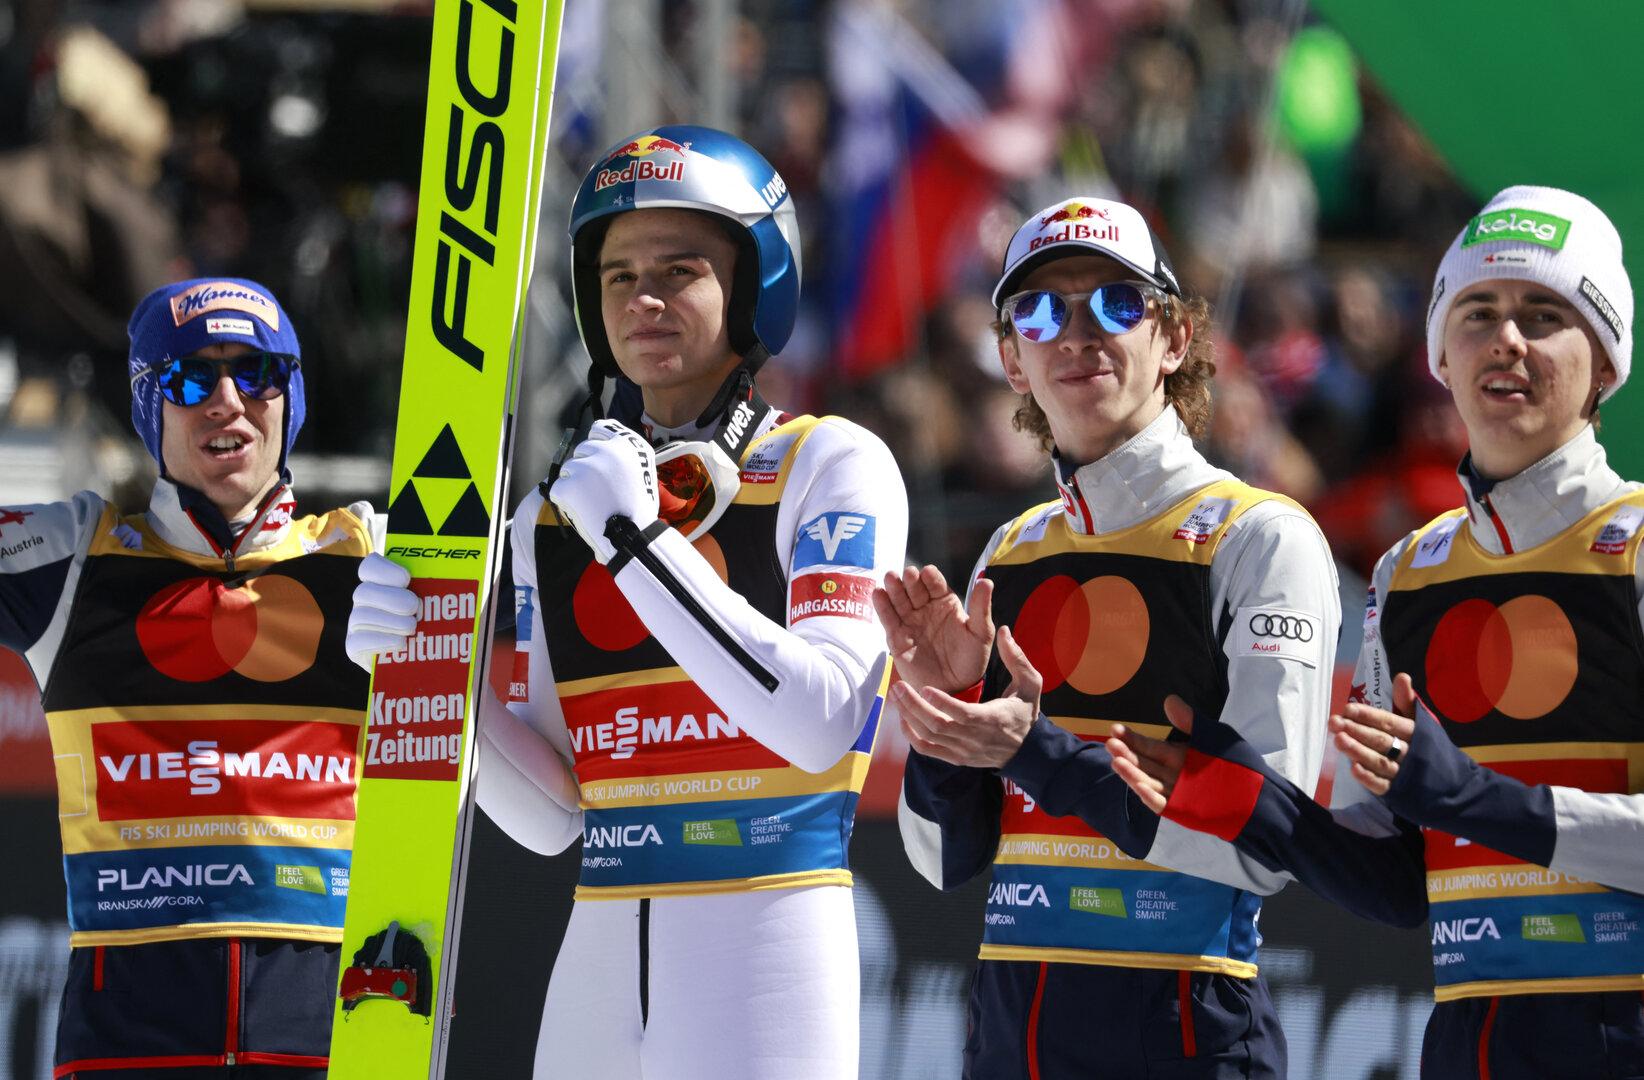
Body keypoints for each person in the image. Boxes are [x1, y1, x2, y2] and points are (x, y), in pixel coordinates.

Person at [348, 125, 907, 1079]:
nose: (643, 299)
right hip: (598, 952)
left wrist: (634, 540)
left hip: (770, 936)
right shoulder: (552, 515)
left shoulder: (829, 463)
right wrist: (432, 681)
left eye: (679, 271)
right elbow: (553, 815)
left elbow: (820, 723)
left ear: (754, 283)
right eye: (618, 276)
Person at [1108, 185, 1644, 1079]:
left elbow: (1464, 805)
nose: (1507, 338)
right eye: (1478, 312)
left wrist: (1476, 801)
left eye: (1545, 315)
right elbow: (1398, 883)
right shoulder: (1408, 573)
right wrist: (1255, 805)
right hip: (1467, 1046)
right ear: (1442, 353)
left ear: (1605, 363)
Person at [883, 196, 1340, 1078]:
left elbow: (1267, 840)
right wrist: (949, 722)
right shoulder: (1010, 550)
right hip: (1010, 1039)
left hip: (1185, 1035)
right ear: (1011, 360)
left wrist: (1040, 753)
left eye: (1116, 303)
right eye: (1040, 312)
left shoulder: (1259, 537)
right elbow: (941, 860)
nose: (1077, 333)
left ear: (1174, 339)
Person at [0, 278, 380, 1078]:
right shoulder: (76, 560)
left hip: (323, 1039)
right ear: (150, 404)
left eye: (258, 372)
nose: (227, 401)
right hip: (126, 1051)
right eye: (189, 378)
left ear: (291, 395)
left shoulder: (368, 557)